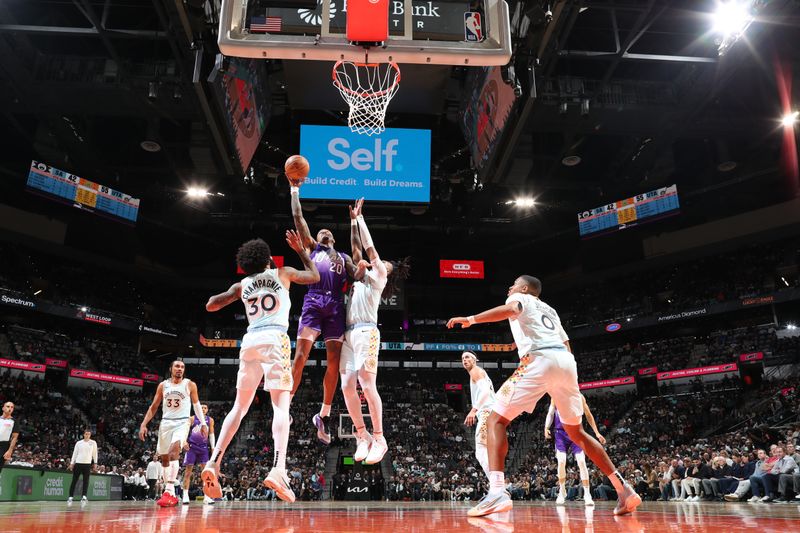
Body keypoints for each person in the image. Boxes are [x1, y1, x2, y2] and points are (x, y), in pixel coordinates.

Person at [447, 275, 641, 517]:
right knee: (577, 432)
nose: (510, 287)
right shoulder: (550, 309)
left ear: (525, 289)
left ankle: (497, 492)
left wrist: (471, 319)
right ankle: (624, 491)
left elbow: (510, 309)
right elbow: (566, 345)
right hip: (567, 363)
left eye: (514, 283)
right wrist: (563, 383)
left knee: (495, 420)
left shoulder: (520, 297)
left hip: (538, 360)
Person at [201, 230, 320, 503]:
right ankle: (278, 468)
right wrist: (302, 251)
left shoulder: (242, 285)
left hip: (250, 339)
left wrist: (233, 294)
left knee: (239, 407)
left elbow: (211, 305)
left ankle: (214, 461)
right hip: (275, 339)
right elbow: (314, 276)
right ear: (267, 260)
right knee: (281, 406)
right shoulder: (283, 273)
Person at [289, 181, 360, 444]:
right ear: (316, 239)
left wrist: (355, 223)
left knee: (335, 364)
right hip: (313, 301)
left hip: (336, 307)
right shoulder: (311, 248)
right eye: (321, 232)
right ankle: (286, 406)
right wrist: (295, 190)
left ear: (334, 239)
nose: (325, 232)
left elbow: (357, 254)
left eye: (328, 232)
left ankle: (324, 414)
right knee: (300, 357)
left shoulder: (343, 257)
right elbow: (298, 217)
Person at [340, 199, 409, 465]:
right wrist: (352, 222)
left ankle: (379, 437)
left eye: (384, 263)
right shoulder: (360, 278)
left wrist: (361, 219)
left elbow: (368, 248)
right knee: (346, 387)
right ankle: (362, 435)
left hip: (367, 333)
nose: (379, 262)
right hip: (348, 334)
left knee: (367, 386)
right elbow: (357, 248)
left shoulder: (379, 274)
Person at [139, 360, 207, 507]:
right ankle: (168, 490)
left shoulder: (189, 384)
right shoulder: (163, 385)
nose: (180, 369)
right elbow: (154, 406)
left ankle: (169, 490)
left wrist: (202, 423)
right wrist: (144, 424)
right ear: (171, 368)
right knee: (164, 459)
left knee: (174, 451)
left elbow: (196, 405)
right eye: (177, 366)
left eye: (182, 367)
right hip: (166, 423)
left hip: (182, 422)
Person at [544, 394, 605, 506]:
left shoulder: (579, 396)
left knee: (581, 461)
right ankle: (562, 491)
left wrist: (597, 433)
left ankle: (587, 494)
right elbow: (551, 413)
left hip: (576, 432)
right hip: (560, 433)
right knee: (561, 461)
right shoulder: (556, 396)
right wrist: (546, 427)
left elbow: (588, 415)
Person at [461, 350, 495, 481]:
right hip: (491, 412)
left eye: (467, 357)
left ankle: (497, 487)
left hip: (486, 412)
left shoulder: (475, 371)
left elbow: (486, 392)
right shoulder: (479, 372)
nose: (465, 360)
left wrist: (473, 410)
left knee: (481, 452)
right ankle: (498, 486)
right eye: (463, 358)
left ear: (475, 360)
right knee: (488, 452)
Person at [181, 404, 216, 504]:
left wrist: (213, 447)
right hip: (192, 447)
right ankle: (185, 495)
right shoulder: (192, 418)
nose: (203, 409)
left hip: (204, 448)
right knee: (188, 472)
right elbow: (186, 430)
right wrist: (184, 441)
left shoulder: (210, 420)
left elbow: (211, 434)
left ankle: (207, 496)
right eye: (201, 408)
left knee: (206, 473)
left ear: (207, 409)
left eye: (205, 408)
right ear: (198, 409)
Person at [67, 428, 98, 503]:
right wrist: (72, 463)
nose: (87, 435)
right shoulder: (78, 443)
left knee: (86, 481)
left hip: (87, 464)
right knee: (74, 480)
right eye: (86, 434)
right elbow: (75, 453)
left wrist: (95, 463)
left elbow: (95, 454)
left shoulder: (93, 443)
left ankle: (84, 496)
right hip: (78, 463)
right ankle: (70, 497)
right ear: (84, 434)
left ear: (90, 435)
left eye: (89, 434)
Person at [0, 401, 19, 477]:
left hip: (3, 447)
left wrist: (10, 451)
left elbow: (14, 437)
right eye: (8, 406)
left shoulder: (14, 421)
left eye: (12, 407)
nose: (10, 408)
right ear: (3, 408)